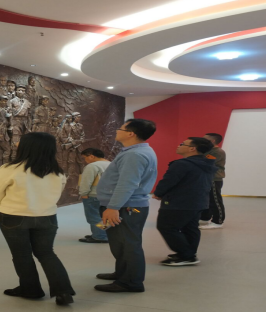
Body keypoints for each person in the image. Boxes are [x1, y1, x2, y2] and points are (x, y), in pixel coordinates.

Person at [0, 132, 76, 306]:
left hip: (14, 216)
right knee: (47, 253)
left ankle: (30, 289)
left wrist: (5, 205)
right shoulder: (57, 172)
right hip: (47, 217)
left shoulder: (9, 169)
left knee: (21, 254)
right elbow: (57, 194)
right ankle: (63, 291)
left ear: (25, 147)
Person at [95, 119, 158, 293]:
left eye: (120, 128)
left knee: (127, 243)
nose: (117, 130)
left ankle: (130, 281)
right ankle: (123, 273)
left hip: (127, 207)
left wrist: (113, 207)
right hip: (126, 205)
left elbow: (127, 184)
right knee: (120, 243)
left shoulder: (134, 155)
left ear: (131, 133)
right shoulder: (136, 151)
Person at [154, 137, 217, 266]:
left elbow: (169, 181)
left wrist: (158, 193)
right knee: (190, 228)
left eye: (183, 144)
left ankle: (186, 254)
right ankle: (189, 254)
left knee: (167, 227)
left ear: (192, 148)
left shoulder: (182, 164)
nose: (179, 145)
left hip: (179, 202)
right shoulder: (207, 164)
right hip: (198, 202)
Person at [78, 148, 110, 244]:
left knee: (93, 216)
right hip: (109, 195)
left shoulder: (92, 166)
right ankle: (102, 234)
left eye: (85, 157)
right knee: (104, 216)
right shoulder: (111, 164)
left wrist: (83, 193)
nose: (85, 160)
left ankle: (99, 236)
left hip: (94, 195)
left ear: (92, 156)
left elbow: (86, 181)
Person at [200, 133, 227, 229]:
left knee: (215, 200)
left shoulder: (218, 152)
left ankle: (218, 221)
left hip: (214, 178)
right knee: (206, 199)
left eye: (205, 139)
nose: (202, 141)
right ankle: (205, 217)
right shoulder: (209, 150)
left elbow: (205, 162)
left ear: (213, 141)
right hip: (207, 177)